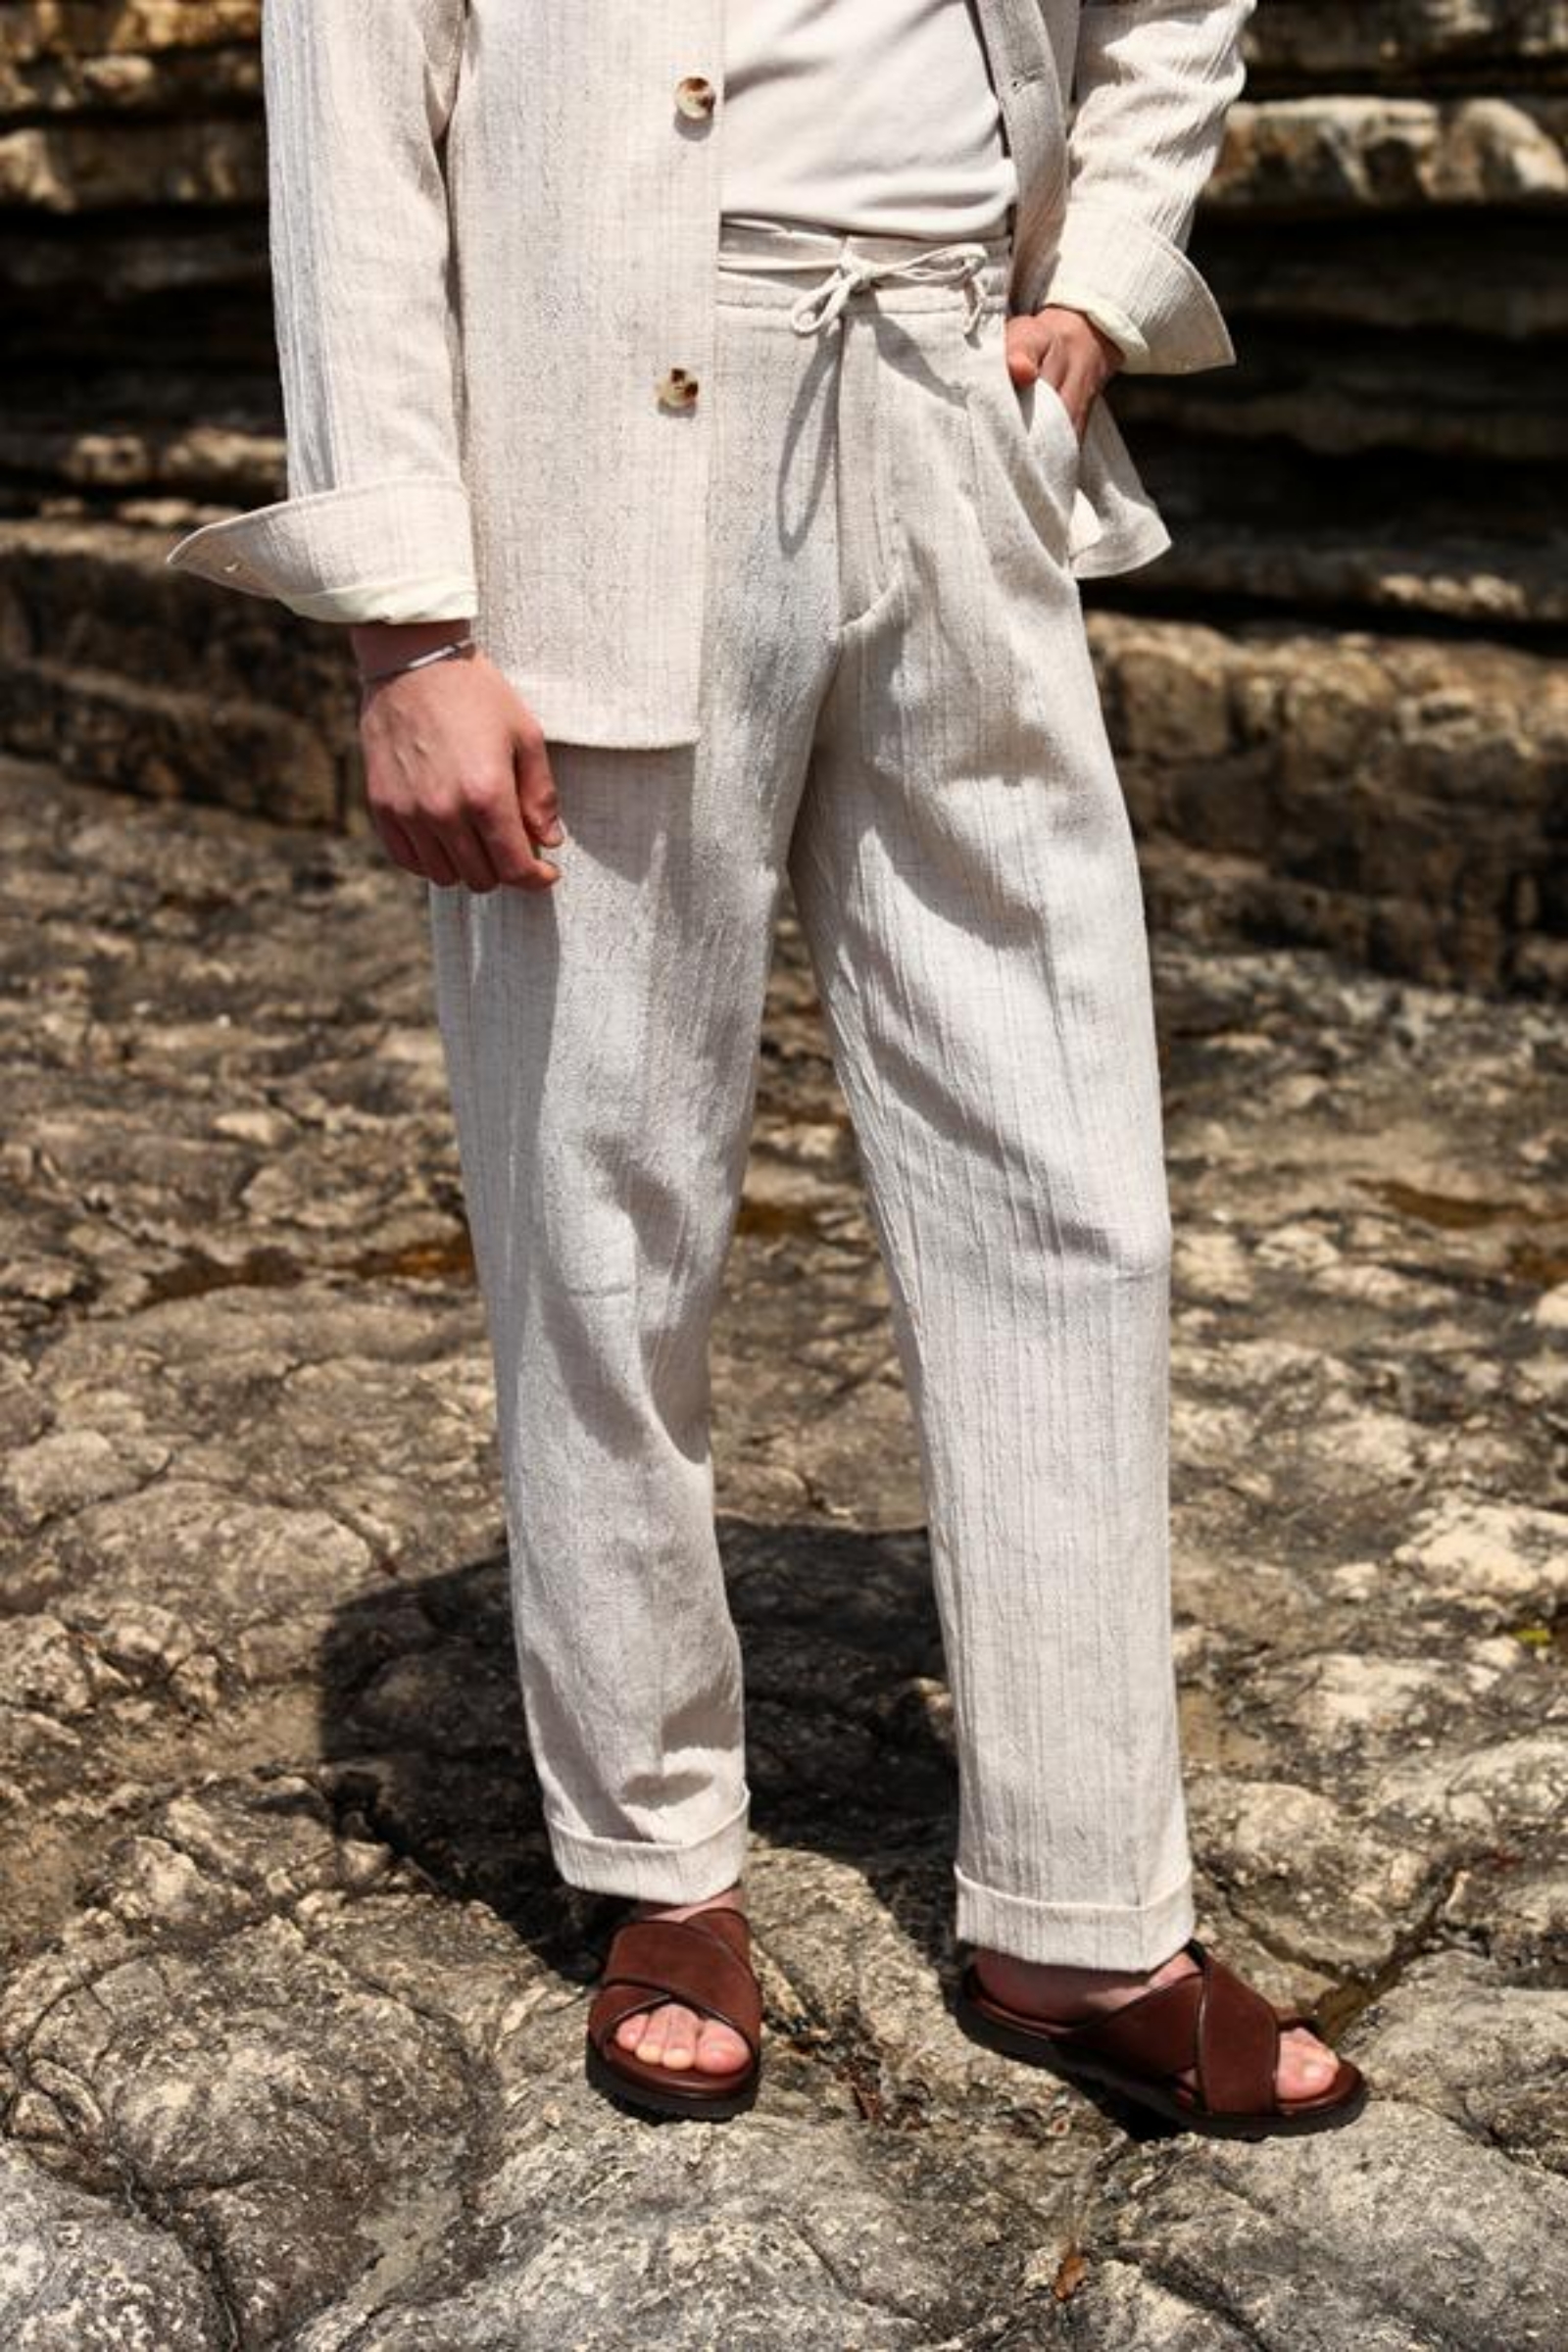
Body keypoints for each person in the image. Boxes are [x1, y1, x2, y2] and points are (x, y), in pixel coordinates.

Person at [166, 0, 1367, 2138]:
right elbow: (355, 143)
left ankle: (1083, 1907)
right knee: (601, 1188)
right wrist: (410, 630)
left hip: (956, 397)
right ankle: (656, 1859)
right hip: (588, 447)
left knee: (1064, 1177)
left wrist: (1098, 278)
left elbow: (1173, 9)